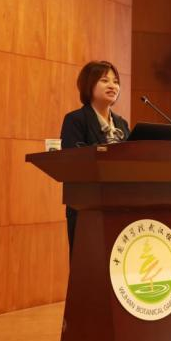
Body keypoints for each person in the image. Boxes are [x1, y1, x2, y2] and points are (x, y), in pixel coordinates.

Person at [60, 60, 130, 256]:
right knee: (88, 263)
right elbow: (74, 160)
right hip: (87, 207)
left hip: (121, 203)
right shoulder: (76, 120)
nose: (112, 86)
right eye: (104, 80)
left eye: (116, 81)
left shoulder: (122, 124)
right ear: (88, 85)